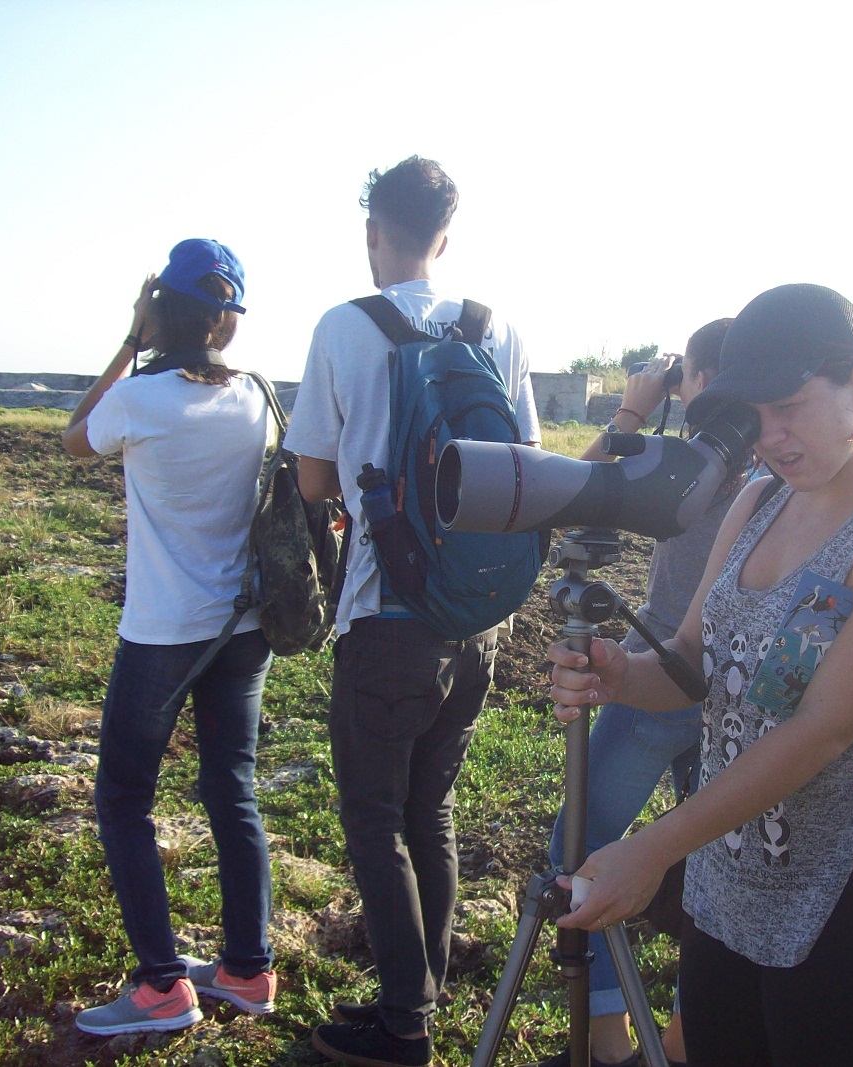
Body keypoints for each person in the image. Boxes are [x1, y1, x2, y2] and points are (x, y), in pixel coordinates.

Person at [549, 284, 853, 1067]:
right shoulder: (758, 503)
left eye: (791, 408)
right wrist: (619, 673)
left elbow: (821, 732)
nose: (770, 437)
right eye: (754, 415)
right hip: (726, 883)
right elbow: (694, 662)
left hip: (849, 893)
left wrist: (654, 848)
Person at [287, 155, 540, 1067]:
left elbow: (313, 477)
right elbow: (526, 469)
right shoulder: (493, 325)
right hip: (475, 617)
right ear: (446, 236)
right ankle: (415, 1002)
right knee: (429, 811)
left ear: (372, 231)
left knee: (372, 815)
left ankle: (403, 1025)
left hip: (386, 612)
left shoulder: (343, 327)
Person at [65, 240, 280, 1036]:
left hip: (163, 633)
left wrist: (129, 341)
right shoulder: (256, 395)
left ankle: (162, 986)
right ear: (225, 319)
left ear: (165, 307)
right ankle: (246, 971)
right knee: (233, 789)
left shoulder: (140, 398)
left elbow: (74, 435)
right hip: (245, 628)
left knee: (123, 799)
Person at [537, 320, 739, 1067]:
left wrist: (631, 410)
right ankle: (681, 1051)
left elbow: (565, 498)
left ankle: (612, 1049)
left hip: (658, 668)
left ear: (700, 378)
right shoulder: (778, 467)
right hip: (732, 684)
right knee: (714, 874)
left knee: (578, 848)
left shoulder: (683, 462)